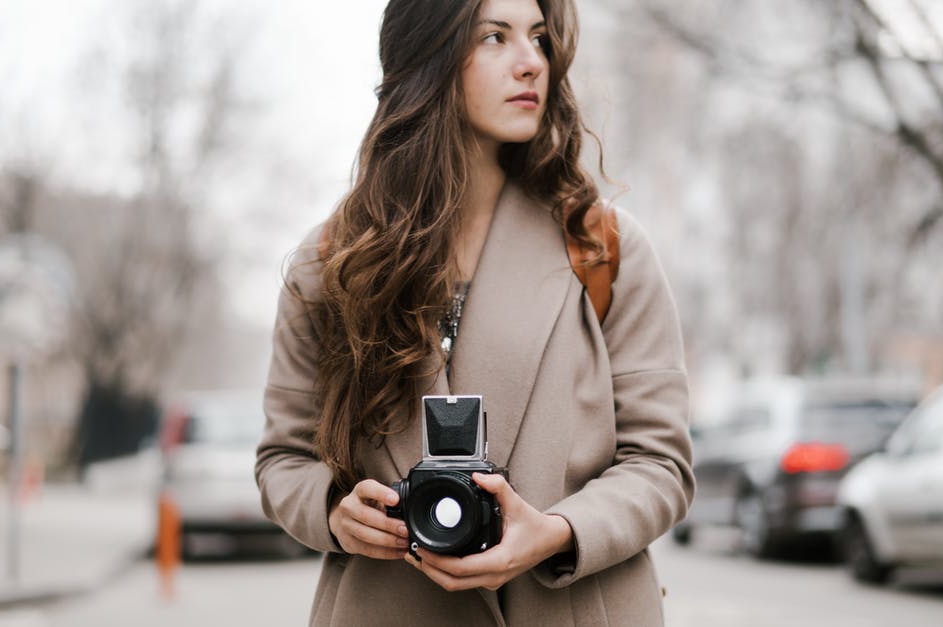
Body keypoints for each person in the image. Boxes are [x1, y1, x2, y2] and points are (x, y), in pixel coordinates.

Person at [255, 0, 694, 624]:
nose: (530, 64)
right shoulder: (333, 263)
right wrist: (332, 511)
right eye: (495, 37)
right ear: (428, 57)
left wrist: (559, 530)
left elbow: (662, 464)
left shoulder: (602, 249)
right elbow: (283, 459)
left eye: (539, 39)